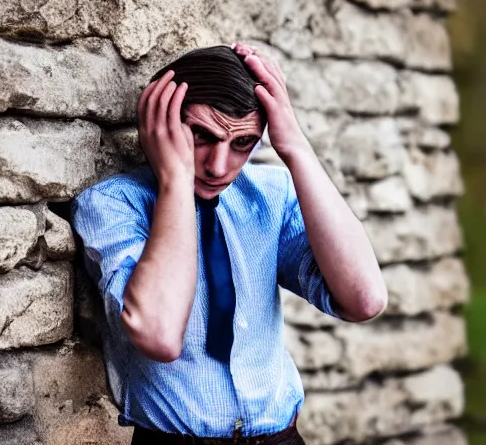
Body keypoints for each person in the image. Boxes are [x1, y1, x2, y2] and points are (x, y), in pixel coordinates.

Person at [71, 43, 388, 444]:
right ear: (161, 125)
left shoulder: (271, 195)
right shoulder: (113, 205)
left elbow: (364, 299)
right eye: (201, 135)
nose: (219, 167)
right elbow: (159, 335)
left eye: (242, 143)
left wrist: (295, 147)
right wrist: (174, 181)